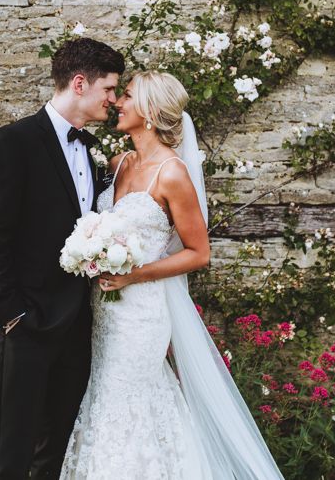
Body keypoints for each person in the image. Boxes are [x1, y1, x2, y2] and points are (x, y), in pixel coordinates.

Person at [60, 70, 284, 479]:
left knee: (126, 400)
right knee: (105, 398)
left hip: (141, 314)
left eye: (126, 96)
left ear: (147, 111)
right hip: (105, 313)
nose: (117, 103)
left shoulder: (172, 173)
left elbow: (199, 254)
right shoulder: (118, 162)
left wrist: (133, 275)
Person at [0, 37, 125, 479]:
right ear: (80, 83)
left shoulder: (95, 150)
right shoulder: (12, 143)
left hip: (78, 324)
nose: (113, 100)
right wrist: (13, 315)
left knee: (56, 444)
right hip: (26, 324)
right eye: (109, 89)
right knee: (12, 449)